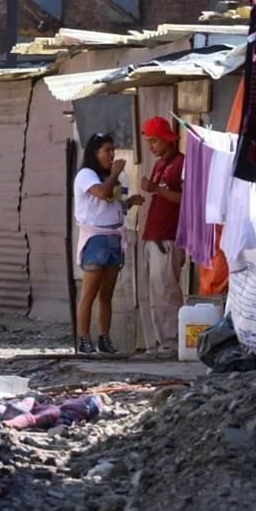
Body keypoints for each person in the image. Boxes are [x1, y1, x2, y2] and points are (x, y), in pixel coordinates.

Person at [74, 133, 144, 354]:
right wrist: (114, 173)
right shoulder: (86, 174)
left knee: (107, 293)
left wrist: (128, 204)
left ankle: (104, 338)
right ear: (95, 153)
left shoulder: (112, 177)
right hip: (95, 238)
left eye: (113, 149)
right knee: (89, 292)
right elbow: (103, 193)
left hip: (114, 236)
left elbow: (111, 205)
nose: (112, 154)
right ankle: (84, 339)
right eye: (106, 150)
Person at [139, 117, 185, 359]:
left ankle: (172, 343)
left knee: (166, 292)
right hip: (152, 236)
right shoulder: (160, 165)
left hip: (167, 237)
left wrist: (156, 190)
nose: (151, 146)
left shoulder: (181, 163)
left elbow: (186, 199)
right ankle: (156, 344)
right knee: (151, 293)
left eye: (154, 141)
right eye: (148, 142)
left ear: (167, 138)